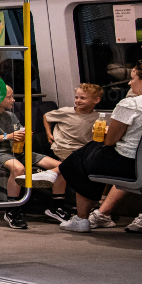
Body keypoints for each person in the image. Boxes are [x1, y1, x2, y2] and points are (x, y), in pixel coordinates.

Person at [58, 62, 142, 233]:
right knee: (88, 153)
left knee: (80, 160)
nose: (128, 83)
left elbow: (110, 141)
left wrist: (106, 132)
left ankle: (81, 218)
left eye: (133, 79)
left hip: (128, 164)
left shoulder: (130, 105)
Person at [0, 76, 65, 229]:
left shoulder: (10, 115)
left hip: (16, 150)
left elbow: (17, 131)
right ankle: (13, 209)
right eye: (9, 97)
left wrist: (24, 134)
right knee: (18, 169)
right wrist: (8, 136)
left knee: (63, 166)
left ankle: (56, 206)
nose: (13, 100)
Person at [34, 84, 103, 221]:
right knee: (75, 167)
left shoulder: (98, 117)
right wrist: (49, 134)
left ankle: (96, 203)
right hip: (63, 147)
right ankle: (58, 204)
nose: (78, 100)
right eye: (77, 97)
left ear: (96, 100)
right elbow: (47, 117)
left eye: (83, 98)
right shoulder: (65, 112)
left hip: (82, 149)